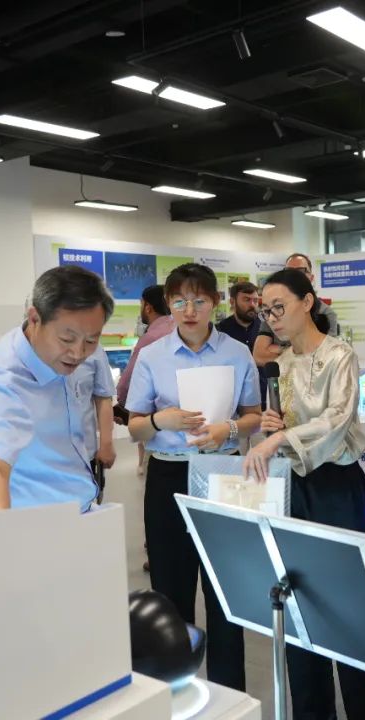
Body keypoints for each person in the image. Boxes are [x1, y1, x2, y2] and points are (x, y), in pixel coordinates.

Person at [245, 268, 365, 720]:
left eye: (279, 306)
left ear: (307, 302)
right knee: (298, 601)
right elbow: (284, 430)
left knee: (351, 603)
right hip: (294, 488)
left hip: (336, 489)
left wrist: (279, 438)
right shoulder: (282, 364)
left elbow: (337, 420)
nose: (272, 317)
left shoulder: (339, 355)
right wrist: (272, 426)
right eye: (266, 310)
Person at [125, 263, 262, 691]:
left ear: (215, 303)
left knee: (226, 591)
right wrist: (159, 420)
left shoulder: (236, 353)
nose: (189, 310)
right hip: (168, 475)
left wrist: (230, 429)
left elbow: (254, 416)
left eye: (199, 301)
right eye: (180, 301)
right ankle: (176, 694)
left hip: (223, 471)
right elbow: (134, 427)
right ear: (168, 304)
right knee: (170, 592)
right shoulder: (152, 356)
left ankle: (231, 695)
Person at [0, 265, 113, 512]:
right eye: (67, 339)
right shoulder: (1, 378)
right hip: (35, 522)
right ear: (35, 318)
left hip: (82, 509)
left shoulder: (58, 354)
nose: (78, 353)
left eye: (91, 340)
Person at [116, 285, 175, 476]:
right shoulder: (180, 330)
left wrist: (122, 407)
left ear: (148, 307)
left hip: (158, 426)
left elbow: (127, 381)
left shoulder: (150, 338)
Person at [251, 253, 338, 368]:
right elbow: (259, 356)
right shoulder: (270, 313)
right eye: (288, 272)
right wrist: (297, 353)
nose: (293, 277)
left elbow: (326, 358)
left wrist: (278, 349)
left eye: (300, 271)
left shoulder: (325, 313)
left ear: (311, 277)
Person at [74, 345, 117, 491]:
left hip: (83, 453)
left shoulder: (94, 349)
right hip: (37, 458)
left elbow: (103, 397)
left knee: (85, 501)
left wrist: (106, 444)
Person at [215, 281, 260, 351]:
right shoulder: (220, 331)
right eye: (246, 300)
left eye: (255, 300)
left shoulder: (266, 328)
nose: (252, 305)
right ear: (232, 302)